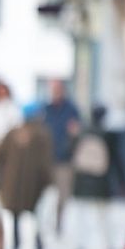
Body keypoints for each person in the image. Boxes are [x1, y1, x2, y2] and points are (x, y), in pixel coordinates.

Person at [0, 103, 53, 249]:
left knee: (15, 216)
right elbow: (45, 162)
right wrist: (47, 181)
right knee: (35, 215)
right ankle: (37, 245)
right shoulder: (41, 134)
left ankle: (16, 245)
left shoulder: (13, 133)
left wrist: (0, 180)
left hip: (12, 183)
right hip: (33, 185)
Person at [70, 105, 116, 249]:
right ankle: (108, 248)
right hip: (100, 181)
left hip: (83, 180)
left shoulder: (81, 133)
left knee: (82, 217)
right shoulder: (107, 135)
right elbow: (115, 160)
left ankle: (80, 247)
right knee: (104, 218)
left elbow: (70, 153)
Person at [42, 80, 83, 239]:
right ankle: (44, 224)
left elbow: (78, 131)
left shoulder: (71, 110)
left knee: (63, 195)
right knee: (44, 195)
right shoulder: (46, 109)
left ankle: (58, 223)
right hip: (47, 158)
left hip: (64, 159)